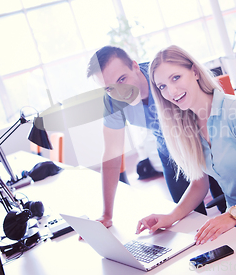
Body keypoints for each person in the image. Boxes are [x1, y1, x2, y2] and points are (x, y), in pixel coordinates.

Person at [135, 45, 236, 251]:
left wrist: (232, 215)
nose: (171, 91)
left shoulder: (234, 109)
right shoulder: (189, 124)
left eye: (176, 78)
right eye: (162, 87)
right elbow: (199, 184)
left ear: (194, 72)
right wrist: (171, 217)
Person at [86, 46, 224, 228]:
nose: (120, 91)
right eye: (110, 88)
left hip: (206, 142)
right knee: (189, 221)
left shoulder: (161, 78)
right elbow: (111, 153)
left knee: (226, 205)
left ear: (135, 66)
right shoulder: (113, 102)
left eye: (122, 79)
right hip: (171, 152)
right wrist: (106, 214)